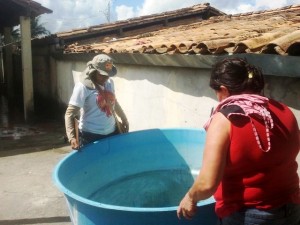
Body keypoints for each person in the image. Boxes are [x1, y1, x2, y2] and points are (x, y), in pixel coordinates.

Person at [177, 57, 300, 224]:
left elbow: (207, 184)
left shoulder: (225, 119)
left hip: (248, 214)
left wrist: (190, 197)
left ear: (224, 90)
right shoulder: (283, 111)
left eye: (217, 93)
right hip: (292, 207)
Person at [65, 54, 129, 150]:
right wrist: (72, 138)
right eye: (102, 75)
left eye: (107, 75)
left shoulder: (109, 83)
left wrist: (124, 118)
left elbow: (114, 103)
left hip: (112, 131)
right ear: (93, 71)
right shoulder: (83, 87)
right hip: (90, 135)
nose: (105, 78)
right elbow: (69, 114)